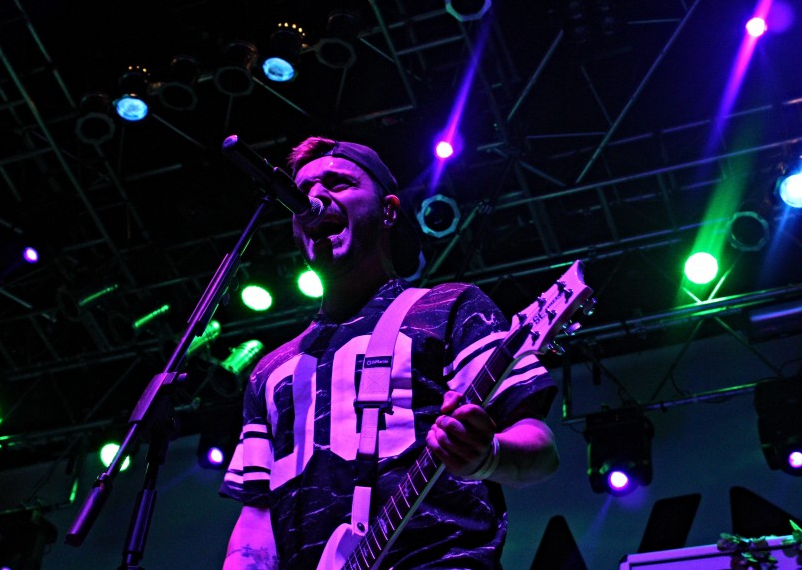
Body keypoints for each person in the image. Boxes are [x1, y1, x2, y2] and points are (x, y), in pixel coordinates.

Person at [220, 137, 559, 570]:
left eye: (338, 184)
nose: (315, 199)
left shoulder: (448, 308)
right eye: (303, 192)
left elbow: (542, 450)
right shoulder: (270, 371)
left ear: (388, 210)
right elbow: (256, 519)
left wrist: (487, 455)